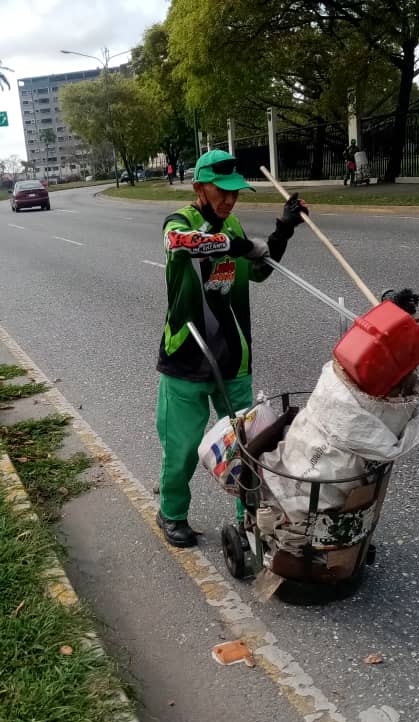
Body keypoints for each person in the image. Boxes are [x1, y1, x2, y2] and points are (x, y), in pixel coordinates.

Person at [155, 149, 308, 547]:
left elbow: (258, 269)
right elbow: (181, 244)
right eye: (220, 191)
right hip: (186, 358)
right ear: (198, 188)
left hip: (233, 361)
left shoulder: (234, 224)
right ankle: (171, 513)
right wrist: (234, 245)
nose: (229, 199)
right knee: (183, 448)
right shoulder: (180, 223)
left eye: (234, 193)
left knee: (248, 446)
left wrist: (283, 230)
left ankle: (251, 521)